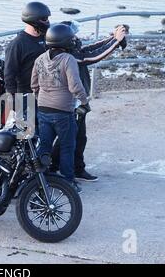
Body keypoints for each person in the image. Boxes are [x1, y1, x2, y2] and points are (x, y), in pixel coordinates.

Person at [49, 23, 127, 182]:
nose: (76, 38)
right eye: (73, 36)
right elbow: (91, 57)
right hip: (71, 102)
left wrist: (112, 38)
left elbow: (89, 49)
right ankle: (53, 168)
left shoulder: (72, 50)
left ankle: (76, 168)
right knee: (68, 138)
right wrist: (116, 42)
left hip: (78, 102)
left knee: (79, 137)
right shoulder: (66, 56)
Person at [31, 23, 89, 193]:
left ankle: (41, 181)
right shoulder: (68, 59)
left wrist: (40, 97)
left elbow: (33, 84)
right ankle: (68, 182)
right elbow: (75, 85)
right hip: (63, 111)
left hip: (43, 109)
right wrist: (84, 101)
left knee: (44, 147)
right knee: (67, 147)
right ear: (66, 41)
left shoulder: (40, 59)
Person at [4, 1, 51, 94]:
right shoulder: (17, 44)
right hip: (27, 94)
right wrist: (14, 100)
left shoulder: (47, 38)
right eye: (45, 19)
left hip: (47, 91)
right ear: (34, 20)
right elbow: (9, 76)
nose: (48, 22)